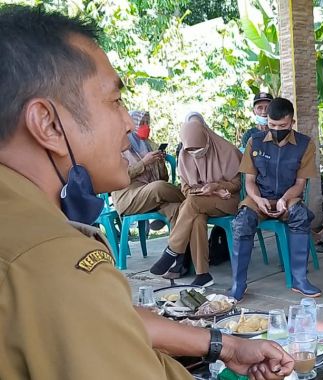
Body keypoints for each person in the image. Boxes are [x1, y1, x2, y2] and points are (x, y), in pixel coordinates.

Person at [0, 5, 293, 379]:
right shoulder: (49, 257)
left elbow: (104, 316)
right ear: (49, 124)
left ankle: (175, 255)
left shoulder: (22, 226)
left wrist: (225, 344)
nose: (127, 121)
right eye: (115, 100)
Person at [231, 97, 321, 301]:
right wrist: (257, 198)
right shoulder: (255, 142)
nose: (276, 129)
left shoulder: (305, 144)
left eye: (282, 125)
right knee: (242, 222)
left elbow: (300, 184)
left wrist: (284, 199)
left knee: (300, 216)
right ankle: (239, 284)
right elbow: (249, 181)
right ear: (266, 121)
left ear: (292, 122)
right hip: (259, 197)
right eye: (272, 125)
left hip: (288, 197)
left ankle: (299, 280)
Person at [150, 113, 242, 285]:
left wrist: (217, 186)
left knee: (191, 204)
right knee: (197, 218)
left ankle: (172, 250)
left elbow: (237, 184)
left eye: (197, 148)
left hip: (227, 200)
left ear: (206, 136)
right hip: (200, 202)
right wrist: (199, 190)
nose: (194, 153)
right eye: (190, 150)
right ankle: (203, 274)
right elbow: (185, 187)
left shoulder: (227, 150)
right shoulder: (184, 155)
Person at [112, 110, 185, 229]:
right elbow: (118, 177)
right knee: (159, 187)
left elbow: (163, 179)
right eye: (141, 123)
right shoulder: (119, 147)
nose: (146, 126)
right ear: (132, 124)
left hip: (153, 197)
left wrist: (160, 163)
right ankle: (193, 200)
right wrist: (144, 163)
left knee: (177, 209)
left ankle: (181, 247)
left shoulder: (149, 146)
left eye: (147, 122)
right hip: (128, 198)